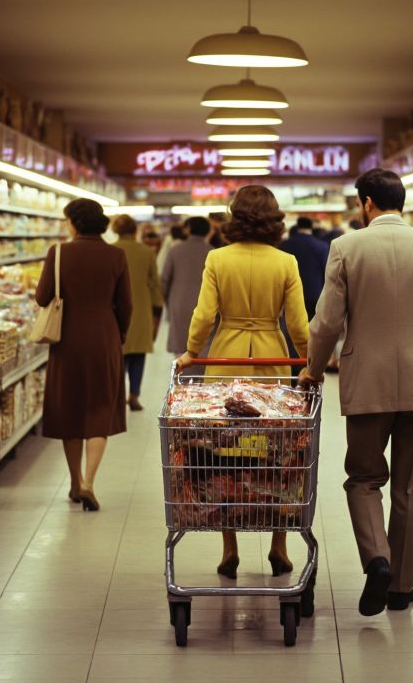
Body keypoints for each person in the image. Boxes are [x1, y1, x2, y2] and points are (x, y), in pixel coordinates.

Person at [299, 168, 413, 616]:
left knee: (364, 478)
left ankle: (377, 557)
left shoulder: (346, 248)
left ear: (367, 203)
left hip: (366, 380)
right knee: (411, 488)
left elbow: (327, 321)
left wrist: (313, 369)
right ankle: (401, 589)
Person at [176, 186, 310, 580]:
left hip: (226, 357)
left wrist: (191, 352)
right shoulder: (286, 262)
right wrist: (308, 361)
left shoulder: (218, 258)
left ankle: (229, 547)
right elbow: (299, 322)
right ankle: (279, 545)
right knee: (277, 451)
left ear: (233, 216)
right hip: (272, 356)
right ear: (274, 219)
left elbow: (204, 314)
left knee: (224, 450)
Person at [36, 199, 133, 512]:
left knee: (71, 409)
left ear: (74, 223)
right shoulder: (117, 255)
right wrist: (119, 335)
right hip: (104, 337)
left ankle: (75, 482)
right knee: (99, 408)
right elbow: (126, 305)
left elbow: (42, 296)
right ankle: (90, 481)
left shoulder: (59, 252)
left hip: (68, 339)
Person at [111, 215, 163, 411]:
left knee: (119, 355)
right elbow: (154, 284)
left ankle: (117, 397)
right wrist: (157, 310)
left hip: (115, 309)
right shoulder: (147, 252)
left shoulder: (111, 250)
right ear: (135, 231)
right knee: (138, 355)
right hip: (141, 309)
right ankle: (134, 395)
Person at [161, 216, 213, 357]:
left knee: (180, 347)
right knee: (204, 345)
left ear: (188, 229)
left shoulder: (175, 251)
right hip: (207, 305)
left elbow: (165, 280)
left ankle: (182, 377)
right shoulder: (214, 253)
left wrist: (167, 302)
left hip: (179, 302)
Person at [279, 216, 329, 320]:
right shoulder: (322, 246)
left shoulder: (285, 245)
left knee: (291, 326)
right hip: (315, 293)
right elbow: (326, 272)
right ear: (311, 227)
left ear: (297, 227)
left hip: (290, 294)